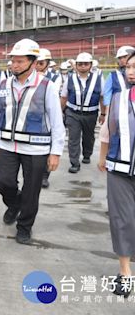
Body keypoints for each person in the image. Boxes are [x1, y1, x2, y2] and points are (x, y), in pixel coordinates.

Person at [0, 38, 65, 244]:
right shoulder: (4, 84)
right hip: (7, 144)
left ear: (33, 63)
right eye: (13, 60)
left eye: (20, 61)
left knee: (32, 191)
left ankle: (24, 226)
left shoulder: (46, 86)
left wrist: (56, 151)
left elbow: (57, 120)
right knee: (2, 182)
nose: (14, 65)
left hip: (36, 148)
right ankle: (14, 204)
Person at [97, 50, 135, 298]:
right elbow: (108, 130)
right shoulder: (120, 98)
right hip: (120, 166)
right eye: (128, 67)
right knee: (122, 218)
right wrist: (102, 157)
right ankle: (125, 272)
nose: (130, 71)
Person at [60, 52, 106, 173]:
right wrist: (61, 112)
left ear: (90, 65)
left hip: (91, 114)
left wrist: (103, 114)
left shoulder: (98, 78)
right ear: (77, 65)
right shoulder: (70, 78)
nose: (83, 66)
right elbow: (64, 97)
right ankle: (74, 163)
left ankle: (87, 154)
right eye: (80, 64)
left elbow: (102, 97)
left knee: (88, 137)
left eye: (86, 64)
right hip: (73, 113)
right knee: (73, 138)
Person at [34, 48, 61, 188]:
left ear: (47, 63)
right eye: (36, 62)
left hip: (47, 117)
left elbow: (52, 99)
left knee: (47, 148)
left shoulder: (55, 78)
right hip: (32, 118)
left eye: (41, 63)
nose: (38, 66)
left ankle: (45, 176)